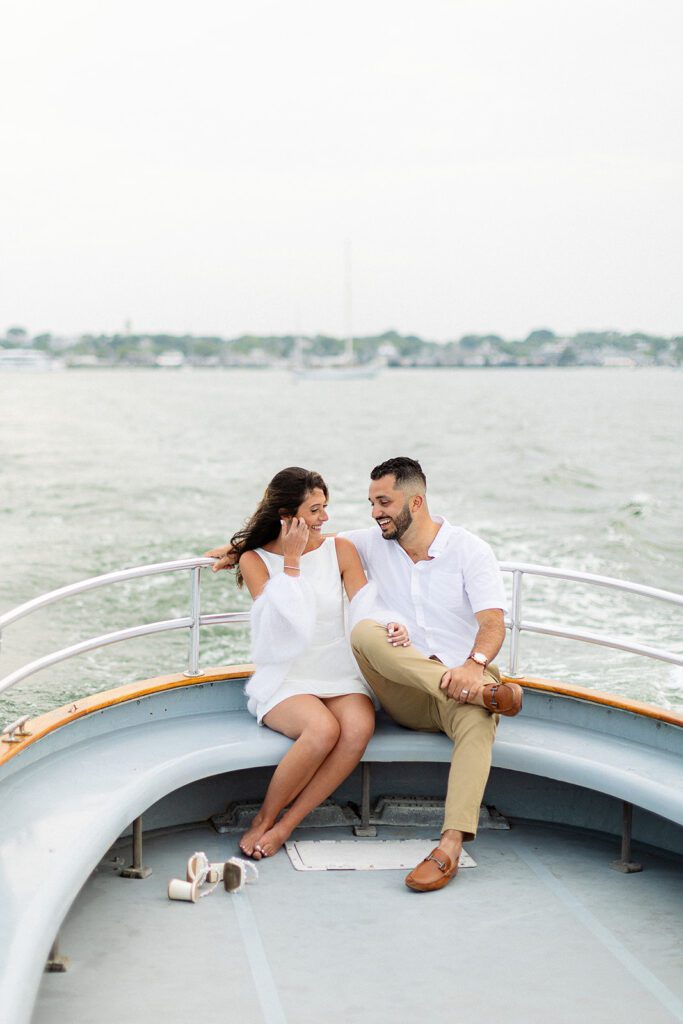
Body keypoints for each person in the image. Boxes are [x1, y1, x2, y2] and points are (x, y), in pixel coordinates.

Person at [208, 457, 521, 893]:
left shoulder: (463, 550)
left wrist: (459, 661)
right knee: (342, 683)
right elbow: (287, 614)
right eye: (371, 503)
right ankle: (266, 818)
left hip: (429, 676)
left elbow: (484, 622)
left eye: (383, 502)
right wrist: (249, 551)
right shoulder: (344, 545)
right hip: (343, 679)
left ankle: (447, 846)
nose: (374, 512)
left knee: (401, 725)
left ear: (415, 501)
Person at [222, 466, 409, 861]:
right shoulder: (255, 561)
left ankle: (288, 825)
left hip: (340, 671)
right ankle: (264, 818)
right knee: (322, 730)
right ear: (287, 517)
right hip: (289, 675)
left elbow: (364, 604)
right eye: (315, 510)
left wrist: (391, 623)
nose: (325, 518)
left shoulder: (340, 549)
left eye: (325, 507)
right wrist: (290, 563)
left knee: (358, 728)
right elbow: (283, 630)